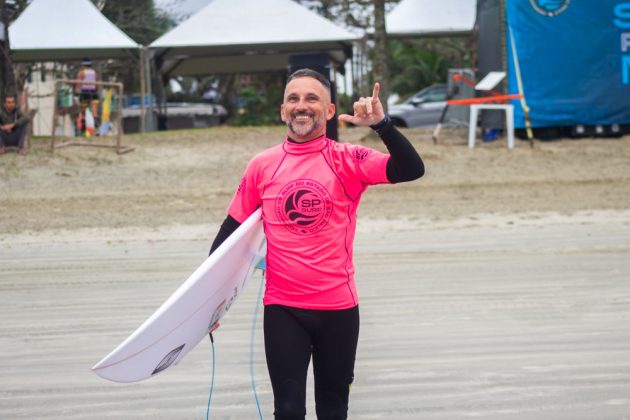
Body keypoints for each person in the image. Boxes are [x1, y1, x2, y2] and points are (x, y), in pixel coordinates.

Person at [209, 68, 425, 420]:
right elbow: (229, 234)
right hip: (284, 309)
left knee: (333, 411)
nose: (301, 106)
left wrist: (381, 124)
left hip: (338, 309)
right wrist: (208, 304)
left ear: (328, 111)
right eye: (293, 99)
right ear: (282, 111)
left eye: (312, 98)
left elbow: (411, 169)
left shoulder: (348, 159)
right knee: (289, 411)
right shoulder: (262, 166)